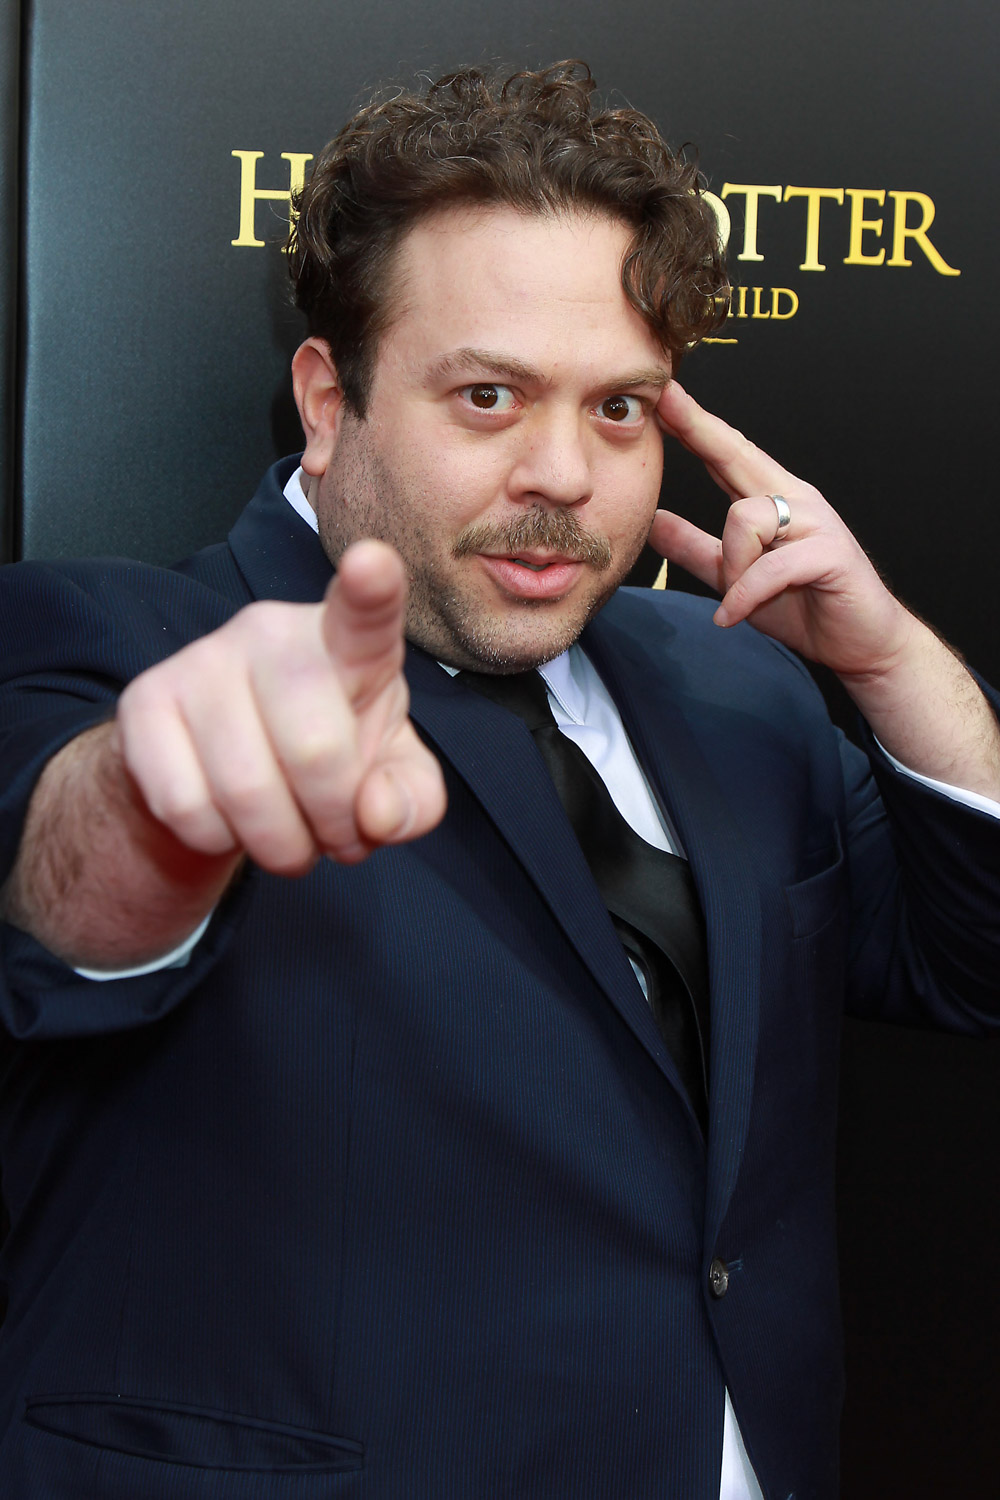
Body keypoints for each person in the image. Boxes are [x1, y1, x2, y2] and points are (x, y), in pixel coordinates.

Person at [0, 60, 997, 1500]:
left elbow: (977, 959)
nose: (562, 474)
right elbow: (63, 892)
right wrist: (163, 808)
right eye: (488, 395)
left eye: (618, 410)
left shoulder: (735, 679)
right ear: (327, 402)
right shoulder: (103, 643)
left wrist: (892, 659)